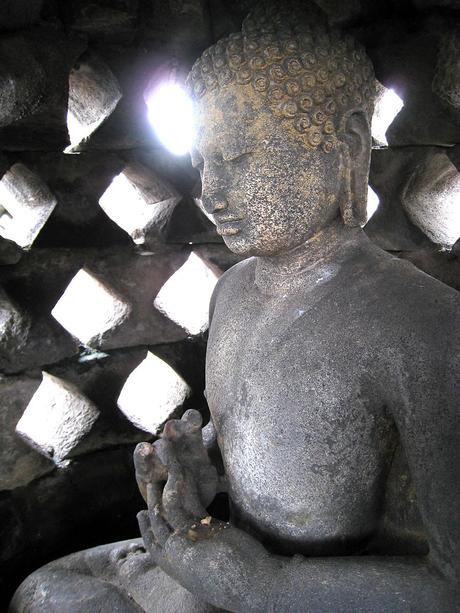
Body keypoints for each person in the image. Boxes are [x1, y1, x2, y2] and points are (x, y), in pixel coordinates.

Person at [11, 2, 459, 611]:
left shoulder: (423, 325)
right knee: (44, 591)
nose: (211, 195)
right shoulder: (234, 287)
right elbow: (267, 427)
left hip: (305, 593)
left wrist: (268, 587)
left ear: (347, 146)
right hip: (224, 565)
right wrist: (206, 462)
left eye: (241, 157)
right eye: (201, 164)